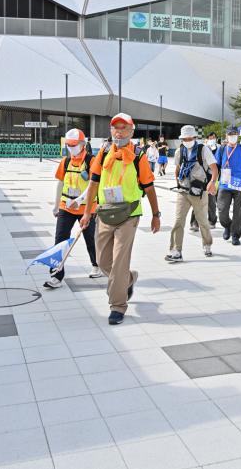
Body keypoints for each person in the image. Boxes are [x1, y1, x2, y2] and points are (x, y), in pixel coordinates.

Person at [80, 113, 161, 325]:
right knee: (103, 261)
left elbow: (149, 188)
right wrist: (87, 212)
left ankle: (117, 305)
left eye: (124, 128)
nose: (119, 132)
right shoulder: (104, 152)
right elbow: (93, 185)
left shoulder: (138, 156)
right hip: (105, 213)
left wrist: (156, 215)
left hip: (129, 215)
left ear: (132, 131)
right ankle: (129, 278)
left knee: (118, 263)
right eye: (115, 128)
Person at [44, 129, 101, 289]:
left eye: (73, 145)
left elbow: (93, 185)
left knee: (90, 238)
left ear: (82, 144)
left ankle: (96, 265)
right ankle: (56, 275)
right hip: (66, 207)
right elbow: (60, 183)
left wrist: (80, 200)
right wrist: (56, 205)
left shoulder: (91, 161)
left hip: (86, 208)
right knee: (59, 241)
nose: (71, 148)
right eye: (68, 145)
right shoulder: (65, 161)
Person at [165, 126, 218, 262]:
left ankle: (207, 244)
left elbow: (214, 168)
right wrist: (178, 181)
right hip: (183, 190)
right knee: (178, 220)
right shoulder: (180, 150)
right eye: (184, 139)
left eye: (189, 138)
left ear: (195, 138)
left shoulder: (203, 149)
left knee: (203, 222)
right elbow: (178, 167)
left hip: (199, 191)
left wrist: (212, 182)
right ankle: (176, 250)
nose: (187, 140)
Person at [216, 126, 241, 245]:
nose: (233, 136)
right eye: (230, 134)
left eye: (235, 134)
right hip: (225, 184)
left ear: (238, 135)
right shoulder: (221, 149)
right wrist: (213, 182)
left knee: (238, 211)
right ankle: (227, 225)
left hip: (240, 185)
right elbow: (216, 167)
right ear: (226, 136)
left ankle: (236, 235)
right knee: (222, 211)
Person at [190, 132, 219, 231]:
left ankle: (212, 220)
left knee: (211, 201)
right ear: (207, 139)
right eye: (210, 137)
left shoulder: (219, 148)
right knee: (197, 200)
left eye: (214, 137)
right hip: (201, 177)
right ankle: (194, 222)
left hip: (213, 177)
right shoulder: (203, 148)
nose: (212, 139)